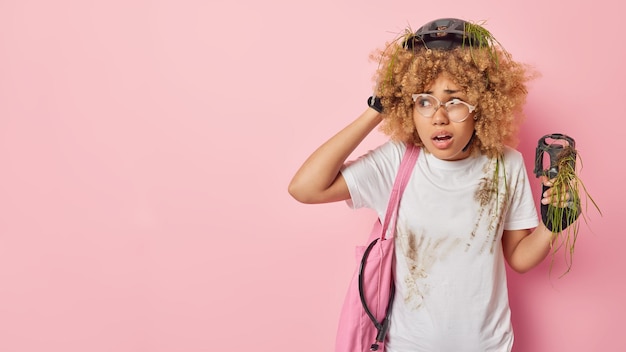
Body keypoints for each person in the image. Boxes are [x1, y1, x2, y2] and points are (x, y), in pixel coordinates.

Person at [288, 18, 574, 352]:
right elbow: (306, 188)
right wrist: (376, 110)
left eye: (454, 101)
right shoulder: (398, 161)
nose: (439, 116)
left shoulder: (505, 164)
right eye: (424, 100)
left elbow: (519, 258)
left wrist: (553, 225)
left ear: (482, 105)